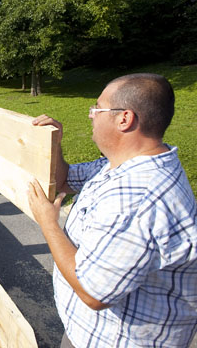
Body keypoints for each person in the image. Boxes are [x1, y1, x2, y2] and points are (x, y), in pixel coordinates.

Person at [27, 73, 197, 348]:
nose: (91, 115)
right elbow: (64, 179)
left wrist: (49, 224)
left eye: (97, 108)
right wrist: (54, 145)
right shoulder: (120, 165)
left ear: (124, 119)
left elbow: (93, 291)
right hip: (90, 333)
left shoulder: (139, 197)